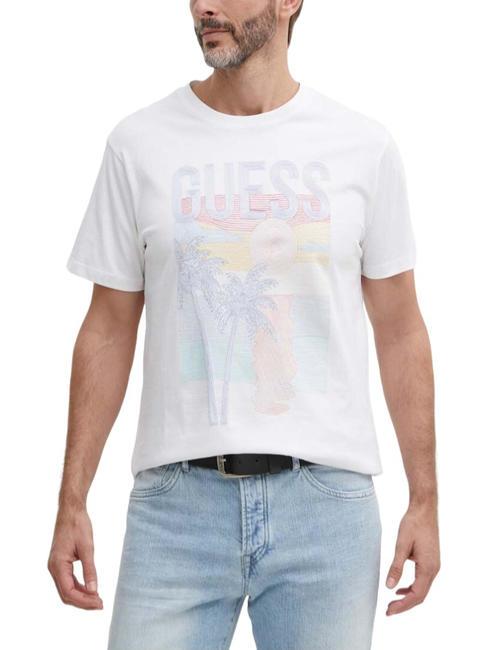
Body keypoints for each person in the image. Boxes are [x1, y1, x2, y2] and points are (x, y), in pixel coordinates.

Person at [47, 1, 440, 648]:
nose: (205, 6)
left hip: (325, 510)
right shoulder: (139, 143)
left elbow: (400, 328)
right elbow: (108, 327)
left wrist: (425, 499)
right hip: (175, 510)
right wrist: (71, 499)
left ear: (289, 2)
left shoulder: (363, 147)